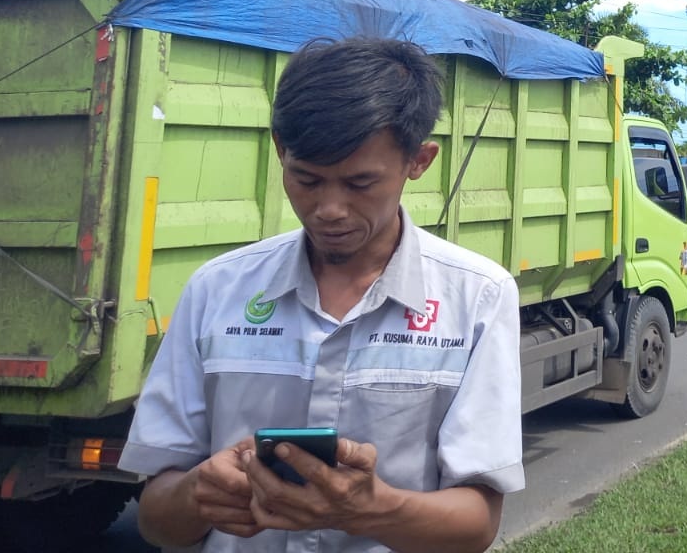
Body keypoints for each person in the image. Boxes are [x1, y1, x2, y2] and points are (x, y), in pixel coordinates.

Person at [119, 37, 524, 552]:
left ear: (419, 161)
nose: (329, 209)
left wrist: (374, 510)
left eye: (359, 184)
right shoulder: (215, 290)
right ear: (279, 151)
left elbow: (476, 526)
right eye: (306, 179)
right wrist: (200, 492)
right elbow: (156, 520)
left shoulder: (478, 298)